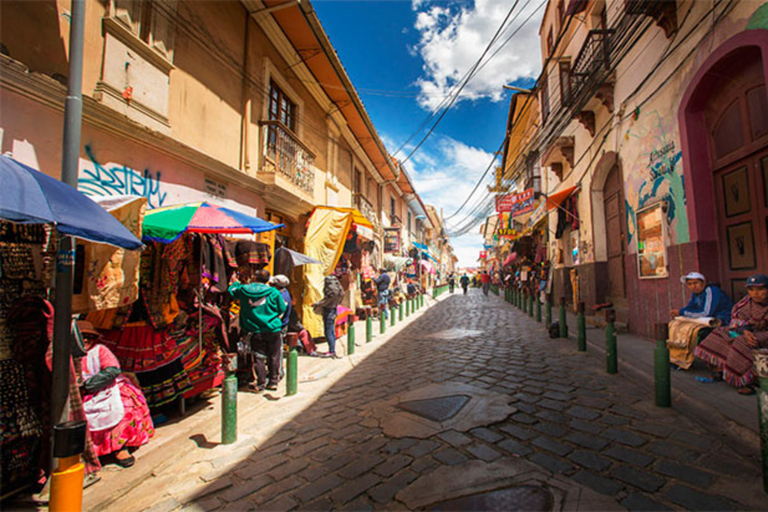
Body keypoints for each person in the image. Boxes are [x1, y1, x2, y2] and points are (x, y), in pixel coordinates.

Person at [76, 321, 154, 468]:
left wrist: (89, 386)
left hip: (104, 388)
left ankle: (120, 446)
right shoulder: (69, 355)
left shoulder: (100, 350)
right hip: (81, 395)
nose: (86, 340)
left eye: (88, 337)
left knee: (125, 406)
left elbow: (112, 369)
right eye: (82, 337)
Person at [694, 274, 768, 395]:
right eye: (751, 289)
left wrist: (749, 333)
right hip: (748, 330)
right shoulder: (746, 302)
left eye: (760, 289)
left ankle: (747, 381)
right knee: (720, 332)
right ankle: (721, 369)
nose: (756, 293)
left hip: (764, 333)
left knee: (742, 342)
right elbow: (737, 319)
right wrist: (745, 330)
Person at [229, 269, 287, 391]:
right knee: (274, 355)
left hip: (255, 329)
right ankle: (273, 381)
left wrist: (235, 282)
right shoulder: (274, 292)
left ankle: (260, 383)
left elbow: (232, 291)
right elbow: (282, 308)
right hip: (273, 328)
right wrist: (270, 315)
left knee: (258, 357)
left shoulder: (244, 290)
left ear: (254, 278)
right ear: (268, 280)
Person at [313, 274, 344, 358]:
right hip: (334, 309)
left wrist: (317, 304)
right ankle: (332, 349)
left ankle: (331, 351)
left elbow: (326, 300)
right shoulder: (338, 288)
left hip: (329, 310)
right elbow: (342, 295)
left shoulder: (331, 291)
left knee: (328, 331)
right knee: (332, 331)